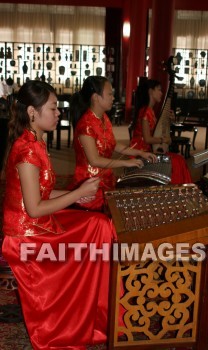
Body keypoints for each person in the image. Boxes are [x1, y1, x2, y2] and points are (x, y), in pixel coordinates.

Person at [2, 80, 117, 350]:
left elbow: (41, 193)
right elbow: (34, 208)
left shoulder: (35, 141)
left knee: (98, 224)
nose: (58, 113)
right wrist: (77, 195)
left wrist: (75, 191)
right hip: (25, 235)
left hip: (36, 224)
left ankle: (97, 314)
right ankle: (74, 320)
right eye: (53, 108)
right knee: (94, 230)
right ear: (32, 112)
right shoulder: (28, 150)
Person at [69, 75, 156, 211]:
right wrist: (125, 163)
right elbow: (94, 160)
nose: (113, 98)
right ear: (96, 97)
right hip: (89, 184)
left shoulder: (103, 118)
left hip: (106, 178)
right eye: (109, 94)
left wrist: (140, 153)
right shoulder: (85, 124)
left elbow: (113, 144)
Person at [130, 78, 192, 184]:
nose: (161, 93)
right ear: (150, 91)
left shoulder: (150, 111)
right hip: (142, 152)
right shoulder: (145, 112)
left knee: (178, 160)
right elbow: (147, 139)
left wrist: (169, 121)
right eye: (159, 90)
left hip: (150, 150)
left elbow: (157, 131)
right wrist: (164, 139)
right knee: (178, 161)